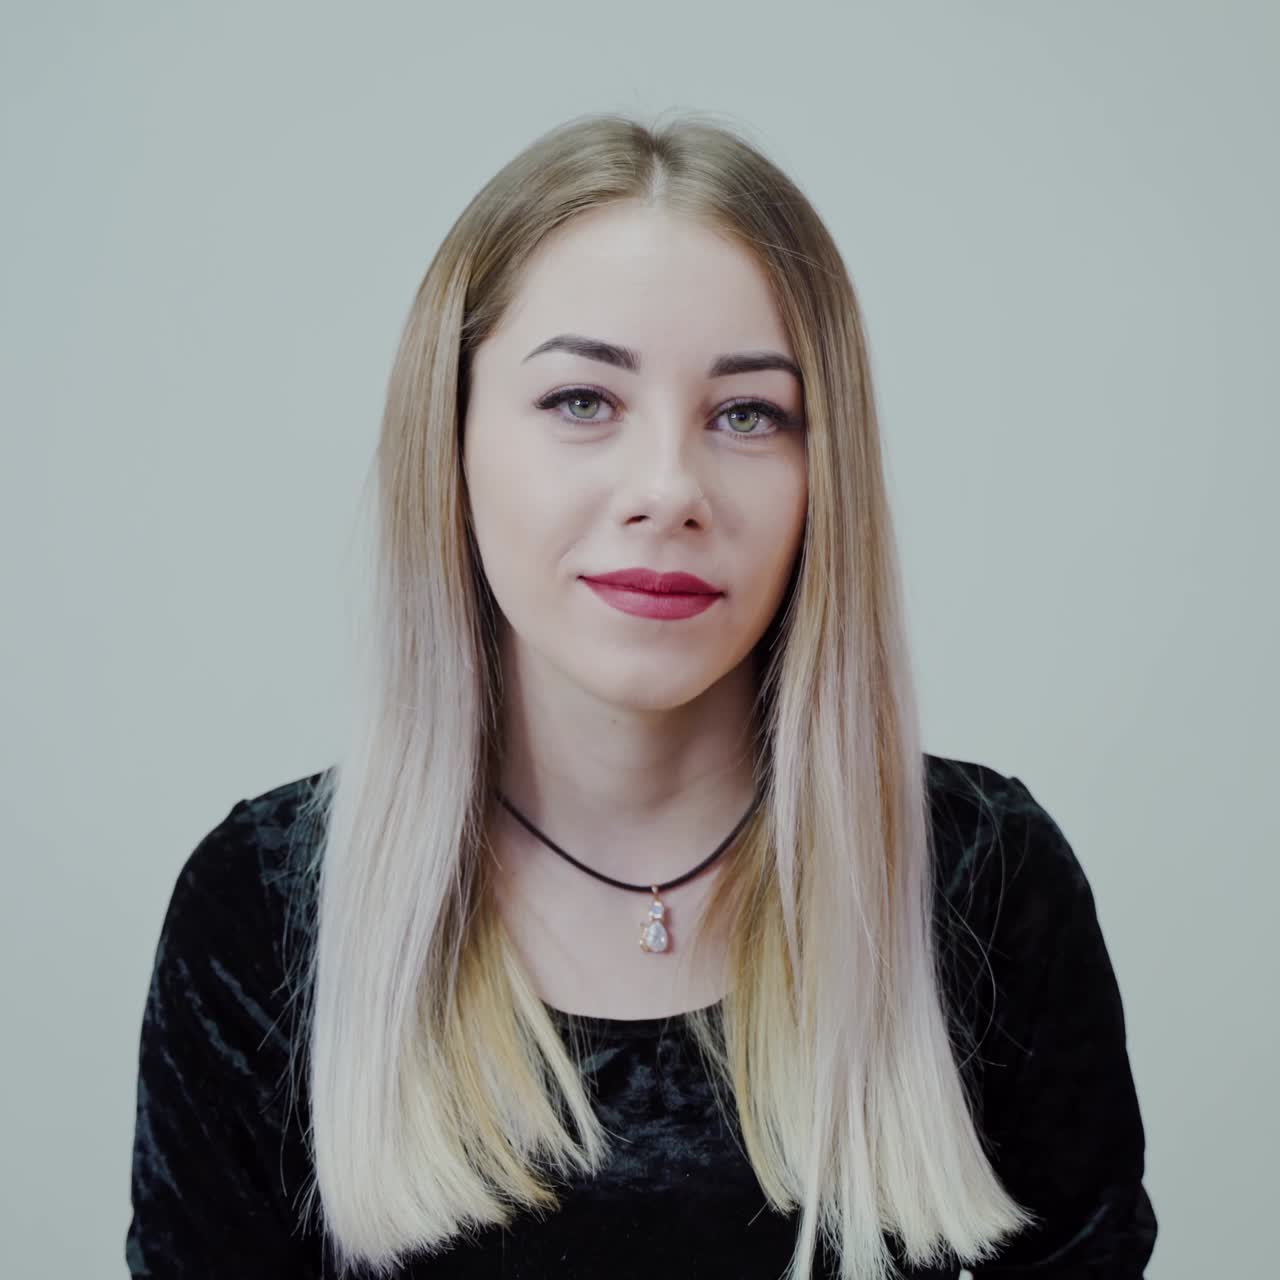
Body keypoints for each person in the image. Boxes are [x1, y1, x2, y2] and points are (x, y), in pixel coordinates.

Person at [126, 111, 1157, 1279]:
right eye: (581, 401)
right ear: (450, 438)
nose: (667, 488)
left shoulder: (983, 881)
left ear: (827, 477)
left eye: (746, 414)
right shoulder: (263, 911)